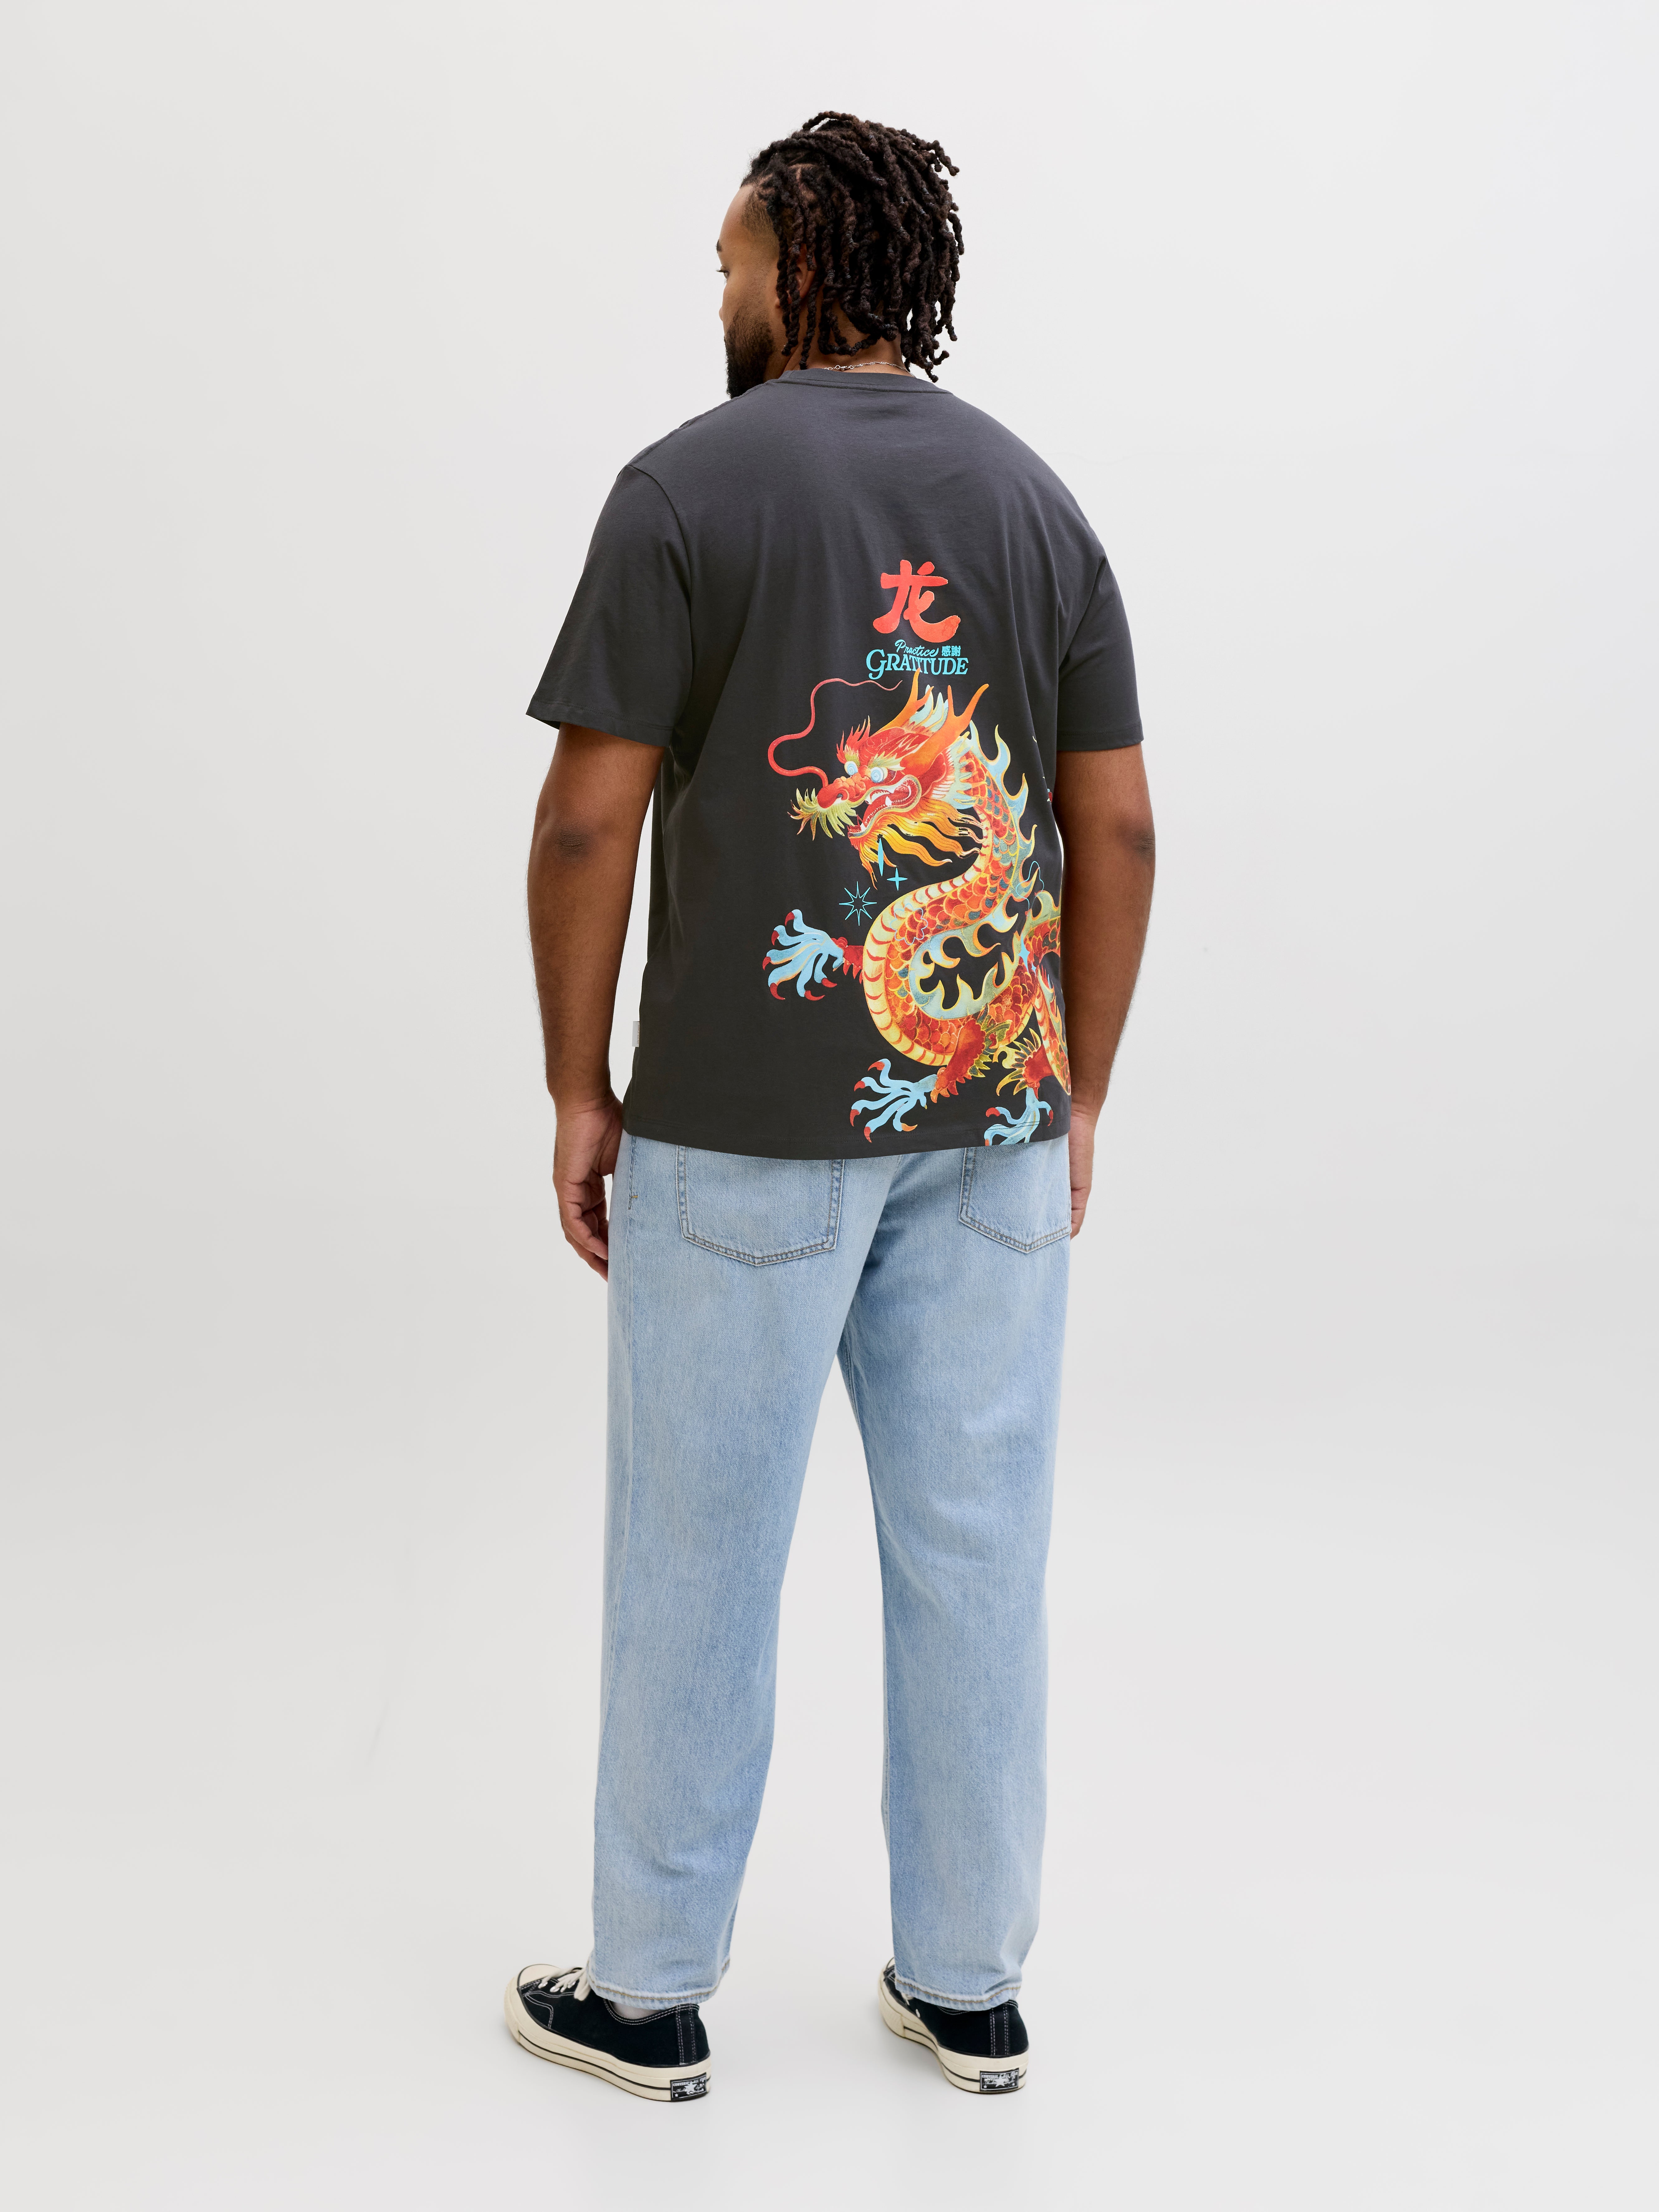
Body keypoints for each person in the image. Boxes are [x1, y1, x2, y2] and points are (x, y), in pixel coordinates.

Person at [504, 112, 1154, 2103]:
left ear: (800, 267)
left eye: (730, 262)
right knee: (978, 1546)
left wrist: (577, 1087)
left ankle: (648, 1993)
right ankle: (970, 1987)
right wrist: (1077, 1092)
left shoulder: (683, 490)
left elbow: (586, 822)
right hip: (993, 1110)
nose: (717, 294)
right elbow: (1120, 828)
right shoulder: (1037, 501)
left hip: (739, 1133)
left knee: (696, 1547)